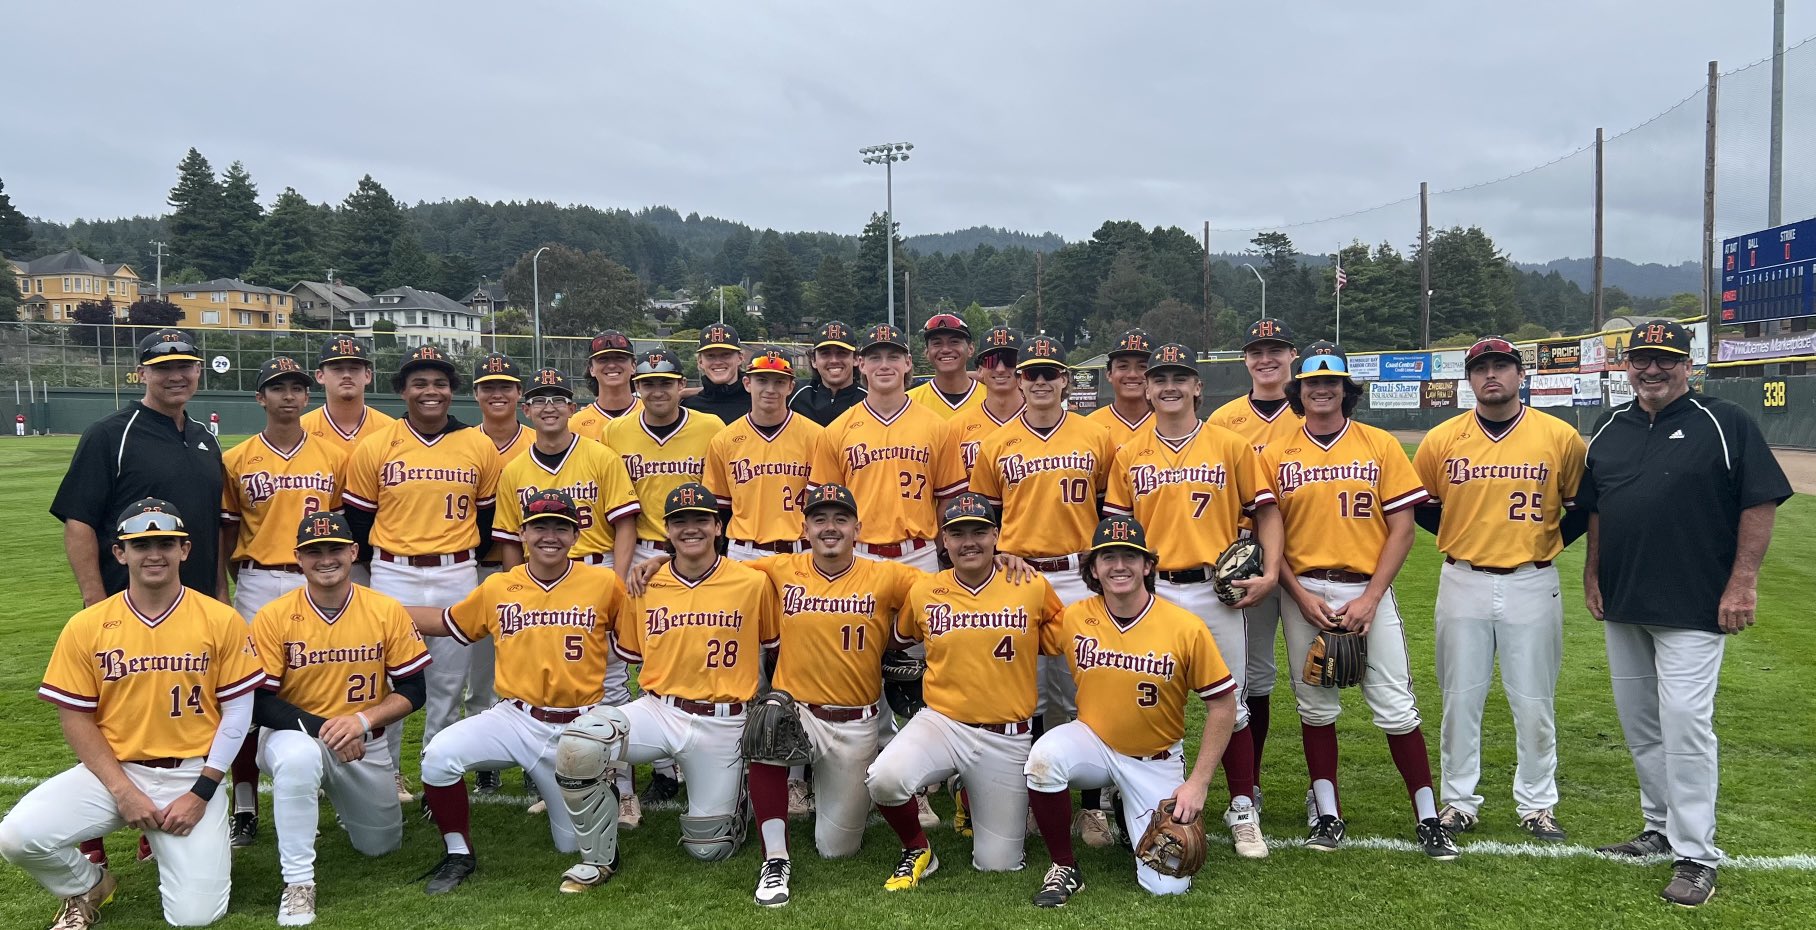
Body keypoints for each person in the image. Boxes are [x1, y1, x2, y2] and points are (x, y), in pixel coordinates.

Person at [627, 483, 922, 906]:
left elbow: (940, 589)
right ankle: (775, 859)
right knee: (767, 723)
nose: (830, 528)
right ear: (805, 528)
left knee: (837, 849)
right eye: (819, 519)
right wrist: (663, 560)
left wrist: (1000, 564)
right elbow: (708, 564)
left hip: (856, 722)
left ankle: (831, 804)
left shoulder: (887, 575)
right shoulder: (780, 569)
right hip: (795, 708)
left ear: (858, 528)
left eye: (840, 519)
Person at [1580, 319, 1791, 908]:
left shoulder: (1725, 423)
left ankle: (1696, 854)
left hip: (1696, 602)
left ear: (1687, 364)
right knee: (1642, 723)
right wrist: (1594, 573)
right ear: (1627, 364)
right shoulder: (1609, 428)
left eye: (1665, 359)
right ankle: (1657, 825)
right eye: (1641, 358)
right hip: (1625, 599)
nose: (1652, 369)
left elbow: (1760, 500)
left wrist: (1742, 583)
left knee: (1685, 724)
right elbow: (1597, 509)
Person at [0, 499, 263, 929]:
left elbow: (238, 712)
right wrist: (123, 791)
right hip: (114, 775)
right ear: (120, 553)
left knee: (194, 917)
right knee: (16, 837)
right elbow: (75, 717)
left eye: (165, 542)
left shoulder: (221, 620)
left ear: (185, 550)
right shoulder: (88, 625)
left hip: (191, 776)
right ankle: (88, 883)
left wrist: (201, 793)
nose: (154, 553)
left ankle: (182, 852)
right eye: (141, 544)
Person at [1258, 341, 1454, 859]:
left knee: (1395, 706)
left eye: (1332, 381)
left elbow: (1404, 529)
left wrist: (1372, 597)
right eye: (1312, 383)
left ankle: (1429, 818)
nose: (1322, 389)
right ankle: (1327, 813)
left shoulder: (1380, 444)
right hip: (1302, 592)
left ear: (1348, 389)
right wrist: (1297, 595)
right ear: (1298, 391)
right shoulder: (1276, 453)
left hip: (1365, 589)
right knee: (1316, 707)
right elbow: (1268, 537)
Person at [1103, 341, 1282, 859]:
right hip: (1152, 593)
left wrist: (1270, 572)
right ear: (1148, 388)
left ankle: (1243, 808)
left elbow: (1266, 512)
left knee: (1234, 704)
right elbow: (1118, 529)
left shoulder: (1230, 445)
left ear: (1198, 387)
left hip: (1215, 589)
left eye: (1180, 377)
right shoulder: (1130, 453)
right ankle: (1153, 799)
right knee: (1152, 701)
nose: (1169, 386)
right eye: (1159, 379)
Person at [403, 490, 632, 895]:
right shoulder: (498, 587)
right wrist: (383, 610)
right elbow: (447, 621)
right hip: (515, 716)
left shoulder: (603, 582)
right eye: (539, 526)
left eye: (560, 527)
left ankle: (600, 788)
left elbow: (633, 643)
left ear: (575, 536)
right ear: (523, 533)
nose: (549, 536)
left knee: (570, 846)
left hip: (579, 726)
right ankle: (458, 853)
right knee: (439, 755)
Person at [1411, 337, 1585, 843]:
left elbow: (1578, 507)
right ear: (1469, 379)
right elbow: (1420, 504)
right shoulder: (1442, 439)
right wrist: (1463, 533)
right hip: (1462, 577)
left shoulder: (1560, 436)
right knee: (1459, 698)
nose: (1492, 375)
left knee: (1534, 701)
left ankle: (1537, 804)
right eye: (1481, 367)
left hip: (1533, 578)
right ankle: (1459, 802)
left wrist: (1544, 542)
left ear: (1519, 375)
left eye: (1502, 366)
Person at [564, 483, 779, 882]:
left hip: (724, 721)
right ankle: (599, 859)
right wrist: (659, 563)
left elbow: (771, 643)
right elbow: (630, 654)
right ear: (667, 529)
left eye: (701, 519)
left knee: (710, 850)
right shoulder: (644, 584)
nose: (690, 528)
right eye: (680, 522)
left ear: (718, 526)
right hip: (659, 709)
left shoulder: (751, 582)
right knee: (579, 744)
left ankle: (739, 797)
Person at [1022, 515, 1237, 906]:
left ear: (1148, 565)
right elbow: (1015, 626)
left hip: (1154, 759)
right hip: (1093, 743)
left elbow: (1223, 704)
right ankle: (1064, 866)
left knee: (1168, 885)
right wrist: (1010, 565)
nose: (1119, 566)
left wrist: (1199, 783)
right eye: (1108, 557)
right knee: (1043, 759)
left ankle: (1127, 807)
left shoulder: (1185, 627)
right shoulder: (1075, 617)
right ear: (1093, 568)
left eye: (1129, 557)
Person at [865, 493, 1063, 889]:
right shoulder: (925, 591)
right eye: (957, 533)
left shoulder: (1030, 584)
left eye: (978, 531)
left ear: (996, 535)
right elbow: (899, 639)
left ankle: (965, 791)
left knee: (998, 864)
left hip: (1005, 735)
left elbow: (1061, 638)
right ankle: (917, 847)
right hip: (943, 722)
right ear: (943, 540)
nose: (968, 541)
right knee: (884, 777)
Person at [969, 334, 1118, 846]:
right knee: (1023, 693)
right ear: (1019, 379)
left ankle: (1094, 806)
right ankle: (1034, 797)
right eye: (1031, 373)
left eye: (1049, 373)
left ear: (1065, 380)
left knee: (1084, 691)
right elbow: (981, 520)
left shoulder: (1096, 436)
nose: (1039, 382)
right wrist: (995, 553)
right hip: (1019, 575)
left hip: (1079, 574)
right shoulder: (997, 444)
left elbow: (1111, 513)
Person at [249, 511, 429, 926]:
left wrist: (361, 721)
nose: (325, 559)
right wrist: (329, 728)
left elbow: (414, 691)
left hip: (363, 740)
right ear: (298, 557)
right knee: (298, 761)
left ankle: (343, 802)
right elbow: (260, 701)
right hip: (293, 734)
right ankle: (298, 883)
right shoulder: (274, 616)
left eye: (334, 549)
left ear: (353, 552)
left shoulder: (385, 610)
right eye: (314, 552)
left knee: (380, 846)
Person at [341, 345, 502, 803]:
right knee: (387, 680)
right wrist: (388, 561)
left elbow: (487, 519)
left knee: (450, 684)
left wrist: (455, 552)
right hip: (393, 571)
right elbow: (358, 519)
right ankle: (388, 774)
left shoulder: (478, 444)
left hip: (457, 570)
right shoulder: (377, 445)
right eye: (419, 383)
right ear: (402, 391)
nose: (430, 391)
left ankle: (438, 774)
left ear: (452, 391)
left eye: (439, 383)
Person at [491, 367, 642, 822]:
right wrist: (519, 589)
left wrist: (614, 583)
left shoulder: (599, 455)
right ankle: (558, 779)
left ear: (573, 408)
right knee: (550, 686)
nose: (550, 406)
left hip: (593, 573)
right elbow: (509, 540)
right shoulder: (515, 469)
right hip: (539, 584)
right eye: (540, 399)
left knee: (610, 687)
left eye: (559, 398)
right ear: (527, 409)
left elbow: (624, 524)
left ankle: (624, 788)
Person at [219, 357, 345, 847]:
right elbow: (228, 535)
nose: (288, 396)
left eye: (296, 387)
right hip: (257, 580)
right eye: (277, 388)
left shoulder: (333, 456)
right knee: (248, 696)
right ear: (260, 398)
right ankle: (246, 800)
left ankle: (327, 780)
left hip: (317, 580)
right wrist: (225, 590)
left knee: (323, 679)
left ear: (306, 396)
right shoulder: (237, 458)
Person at [53, 329, 226, 608]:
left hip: (200, 607)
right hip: (127, 606)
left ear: (198, 370)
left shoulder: (206, 438)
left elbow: (213, 524)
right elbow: (79, 522)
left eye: (184, 366)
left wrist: (221, 593)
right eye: (162, 368)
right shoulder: (109, 434)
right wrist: (95, 602)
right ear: (142, 373)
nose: (175, 376)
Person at [1205, 319, 1303, 789]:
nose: (1266, 359)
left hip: (1309, 555)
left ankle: (1319, 788)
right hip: (1248, 563)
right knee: (1255, 676)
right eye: (1257, 351)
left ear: (1291, 355)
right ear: (1245, 359)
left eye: (1276, 350)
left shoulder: (1313, 408)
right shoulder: (1225, 420)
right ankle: (1253, 782)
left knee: (1314, 684)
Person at [809, 323, 967, 572]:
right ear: (861, 363)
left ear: (908, 363)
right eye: (875, 357)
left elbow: (949, 498)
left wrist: (936, 549)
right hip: (859, 554)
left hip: (919, 553)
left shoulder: (937, 426)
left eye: (893, 357)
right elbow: (824, 502)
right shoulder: (837, 430)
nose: (884, 365)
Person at [468, 352, 533, 796]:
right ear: (476, 394)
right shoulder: (462, 441)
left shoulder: (540, 438)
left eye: (505, 386)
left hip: (533, 569)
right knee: (479, 672)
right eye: (488, 386)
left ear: (518, 395)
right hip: (473, 566)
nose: (497, 393)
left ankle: (534, 754)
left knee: (530, 668)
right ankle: (485, 759)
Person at [704, 348, 823, 562]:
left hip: (802, 548)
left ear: (790, 387)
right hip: (744, 550)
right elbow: (718, 509)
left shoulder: (816, 436)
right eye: (762, 380)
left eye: (779, 381)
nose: (770, 389)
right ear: (747, 383)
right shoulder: (724, 440)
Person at [300, 336, 394, 464]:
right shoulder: (300, 430)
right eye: (337, 368)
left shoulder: (390, 430)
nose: (347, 375)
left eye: (354, 368)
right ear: (320, 376)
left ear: (367, 376)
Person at [949, 325, 1024, 474]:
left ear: (1022, 368)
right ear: (979, 370)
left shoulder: (1042, 423)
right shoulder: (956, 427)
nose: (1001, 368)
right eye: (991, 361)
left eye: (1010, 360)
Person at [1085, 328, 1154, 448]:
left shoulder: (1170, 423)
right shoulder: (1089, 425)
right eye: (1123, 366)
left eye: (1143, 366)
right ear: (1109, 374)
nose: (1132, 374)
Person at [788, 320, 867, 426]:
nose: (834, 360)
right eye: (825, 353)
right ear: (813, 361)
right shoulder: (793, 394)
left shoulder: (868, 400)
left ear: (856, 359)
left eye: (842, 353)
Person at [905, 313, 982, 420]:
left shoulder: (993, 398)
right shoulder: (908, 403)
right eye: (937, 343)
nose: (945, 350)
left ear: (970, 349)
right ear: (927, 352)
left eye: (954, 342)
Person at [569, 330, 642, 442]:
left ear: (633, 366)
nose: (612, 365)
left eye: (620, 358)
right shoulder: (575, 425)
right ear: (591, 369)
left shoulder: (650, 414)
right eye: (603, 359)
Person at [683, 323, 752, 422]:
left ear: (740, 358)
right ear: (700, 361)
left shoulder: (758, 401)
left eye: (726, 354)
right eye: (710, 355)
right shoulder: (689, 407)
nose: (718, 362)